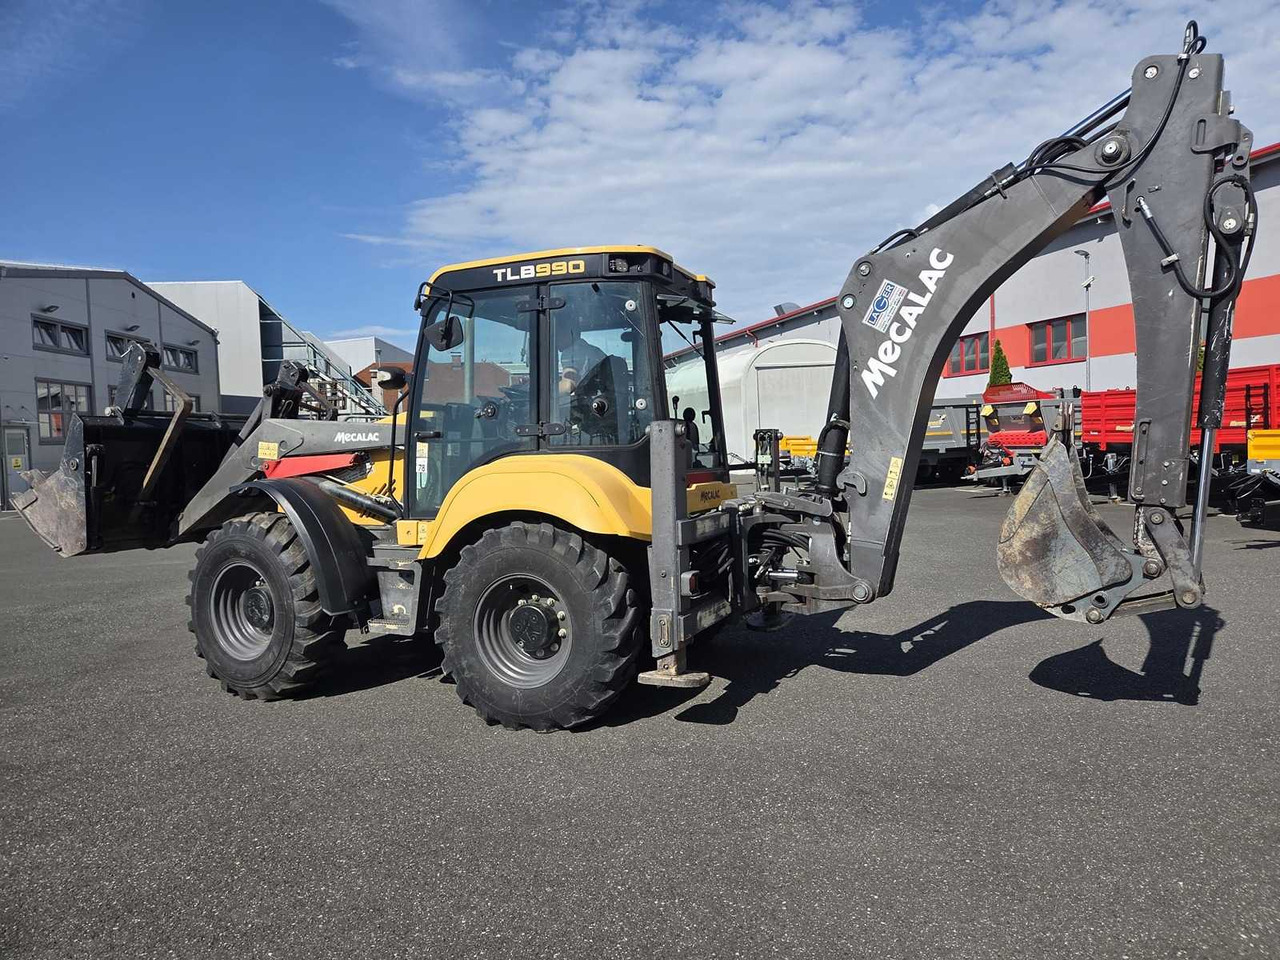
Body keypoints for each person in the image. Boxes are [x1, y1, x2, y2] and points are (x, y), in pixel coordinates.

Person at [555, 316, 606, 397]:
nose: (554, 339)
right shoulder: (594, 350)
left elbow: (568, 385)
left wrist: (541, 393)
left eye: (556, 333)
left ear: (567, 332)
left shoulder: (570, 352)